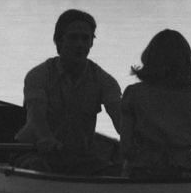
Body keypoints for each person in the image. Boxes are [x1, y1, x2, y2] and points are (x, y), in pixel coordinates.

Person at [14, 9, 121, 174]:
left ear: (91, 43)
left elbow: (120, 117)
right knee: (37, 167)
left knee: (115, 171)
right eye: (73, 37)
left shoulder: (104, 80)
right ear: (58, 41)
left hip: (80, 156)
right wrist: (46, 138)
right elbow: (36, 115)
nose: (80, 44)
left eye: (85, 38)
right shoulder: (38, 75)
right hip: (34, 151)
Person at [120, 29, 191, 180]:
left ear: (149, 59)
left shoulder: (133, 94)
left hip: (142, 173)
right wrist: (186, 166)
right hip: (183, 173)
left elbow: (126, 149)